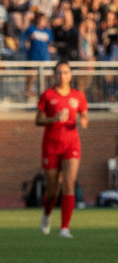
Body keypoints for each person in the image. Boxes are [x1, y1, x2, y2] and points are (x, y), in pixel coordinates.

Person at [36, 61, 88, 237]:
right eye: (59, 72)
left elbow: (84, 113)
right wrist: (54, 119)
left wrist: (83, 120)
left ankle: (65, 227)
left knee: (68, 183)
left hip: (71, 145)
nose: (62, 76)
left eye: (65, 72)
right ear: (54, 75)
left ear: (71, 75)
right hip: (51, 146)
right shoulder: (48, 95)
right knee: (52, 191)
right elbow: (38, 120)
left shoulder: (78, 96)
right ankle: (47, 214)